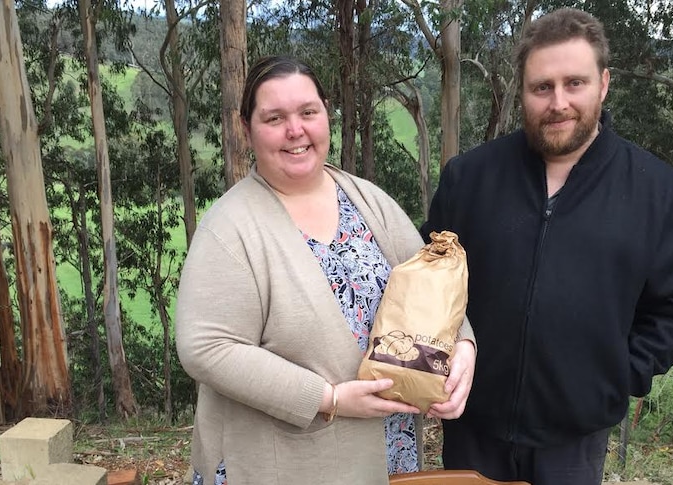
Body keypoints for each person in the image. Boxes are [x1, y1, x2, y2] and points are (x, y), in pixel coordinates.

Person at [420, 8, 673, 485]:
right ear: (523, 92)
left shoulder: (659, 194)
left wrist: (616, 377)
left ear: (603, 83)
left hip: (574, 441)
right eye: (542, 87)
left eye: (574, 83)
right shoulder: (470, 178)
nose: (558, 102)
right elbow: (432, 276)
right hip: (473, 425)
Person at [175, 55, 476, 485]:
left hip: (383, 456)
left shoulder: (368, 201)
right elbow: (205, 346)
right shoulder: (231, 227)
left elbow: (430, 279)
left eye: (307, 112)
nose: (295, 130)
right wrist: (328, 398)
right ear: (246, 130)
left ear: (325, 116)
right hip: (282, 466)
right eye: (274, 117)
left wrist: (463, 345)